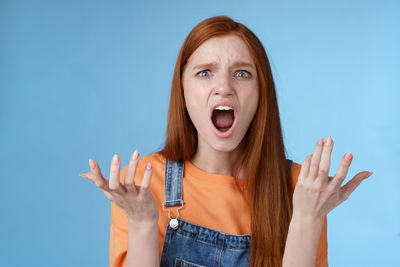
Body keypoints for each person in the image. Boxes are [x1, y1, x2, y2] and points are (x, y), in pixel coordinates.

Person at [79, 15, 373, 267]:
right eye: (205, 73)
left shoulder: (303, 189)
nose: (223, 88)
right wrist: (142, 224)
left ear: (261, 94)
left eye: (242, 74)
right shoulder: (141, 184)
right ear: (183, 91)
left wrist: (306, 219)